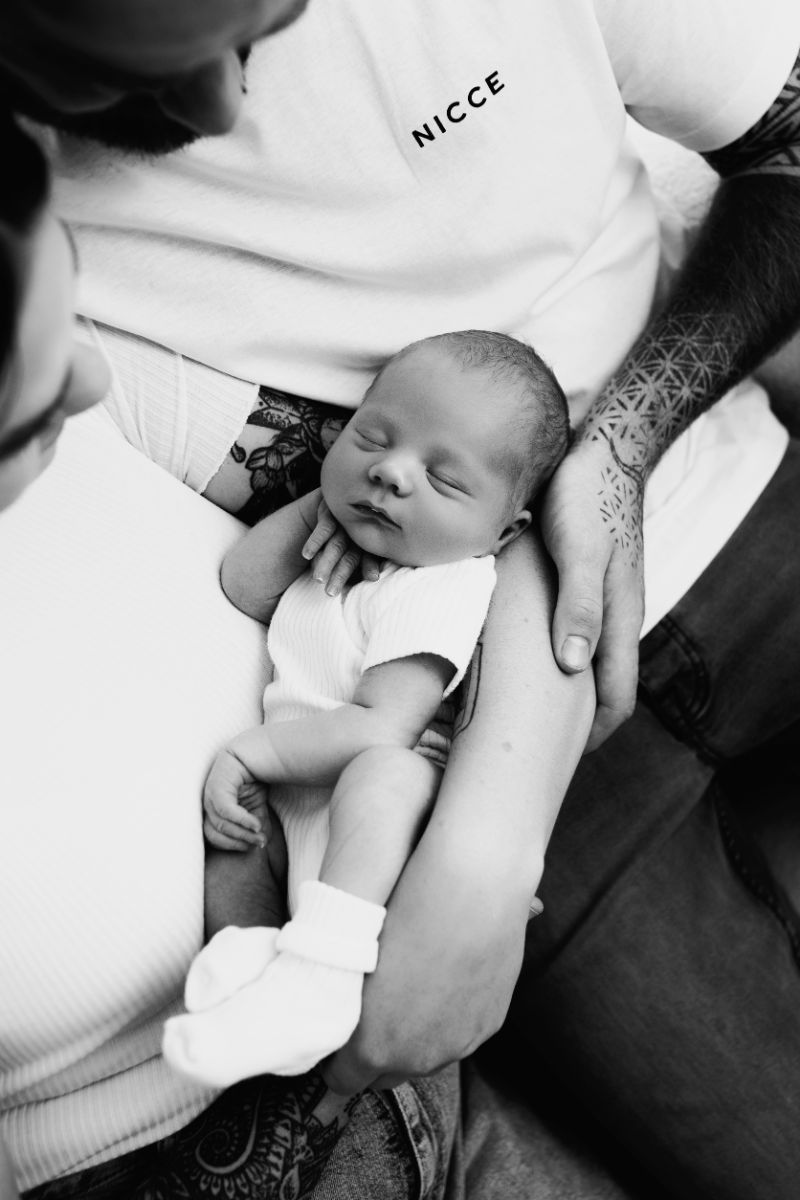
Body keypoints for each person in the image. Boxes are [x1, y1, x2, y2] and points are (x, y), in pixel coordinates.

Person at [3, 0, 800, 1196]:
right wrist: (485, 836)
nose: (229, 100)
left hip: (746, 502)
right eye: (172, 55)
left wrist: (621, 442)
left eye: (266, 25)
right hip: (541, 757)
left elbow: (785, 143)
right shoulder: (36, 272)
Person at [162, 331, 567, 1086]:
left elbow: (384, 726)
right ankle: (260, 981)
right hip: (305, 808)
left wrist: (252, 753)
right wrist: (318, 509)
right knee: (230, 848)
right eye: (372, 438)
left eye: (443, 479)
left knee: (390, 773)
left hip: (382, 844)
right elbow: (243, 585)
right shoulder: (342, 555)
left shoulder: (443, 584)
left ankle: (318, 973)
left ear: (502, 532)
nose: (390, 471)